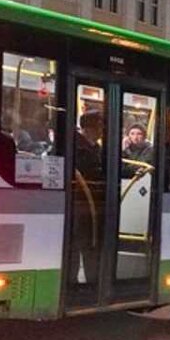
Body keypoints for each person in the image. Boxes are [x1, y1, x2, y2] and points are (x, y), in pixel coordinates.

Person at [72, 112, 105, 284]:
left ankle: (93, 282)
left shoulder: (96, 148)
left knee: (91, 246)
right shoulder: (75, 147)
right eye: (101, 126)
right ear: (90, 128)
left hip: (94, 205)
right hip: (81, 205)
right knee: (79, 246)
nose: (103, 131)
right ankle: (76, 283)